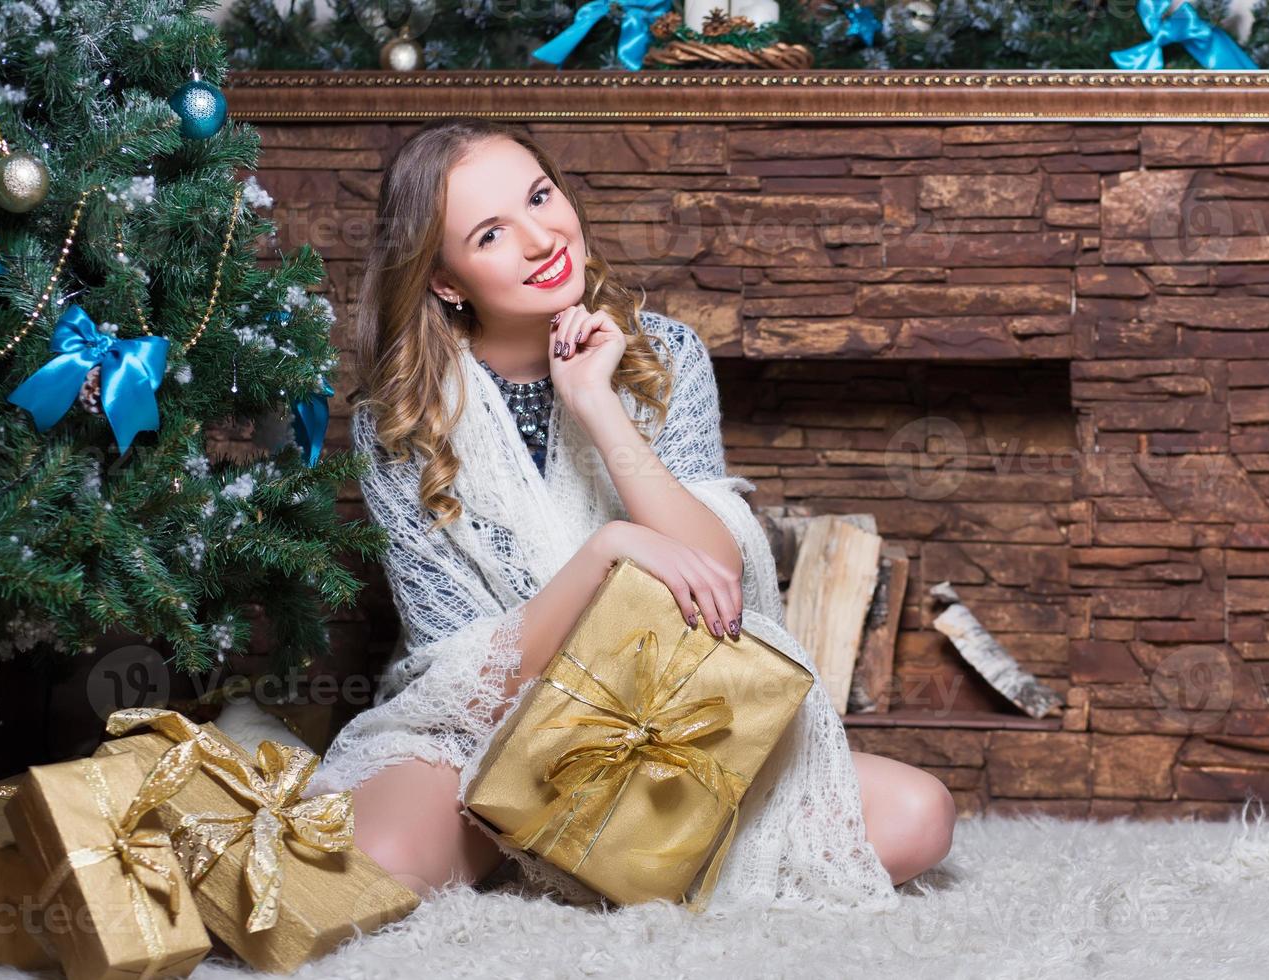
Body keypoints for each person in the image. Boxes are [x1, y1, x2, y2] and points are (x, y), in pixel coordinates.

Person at [305, 118, 956, 910]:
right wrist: (608, 551)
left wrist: (597, 407)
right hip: (482, 729)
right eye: (491, 233)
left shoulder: (664, 356)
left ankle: (593, 850)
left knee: (917, 818)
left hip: (668, 719)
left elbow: (718, 583)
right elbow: (464, 677)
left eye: (541, 197)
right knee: (373, 866)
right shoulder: (402, 417)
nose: (543, 239)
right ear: (446, 281)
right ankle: (580, 849)